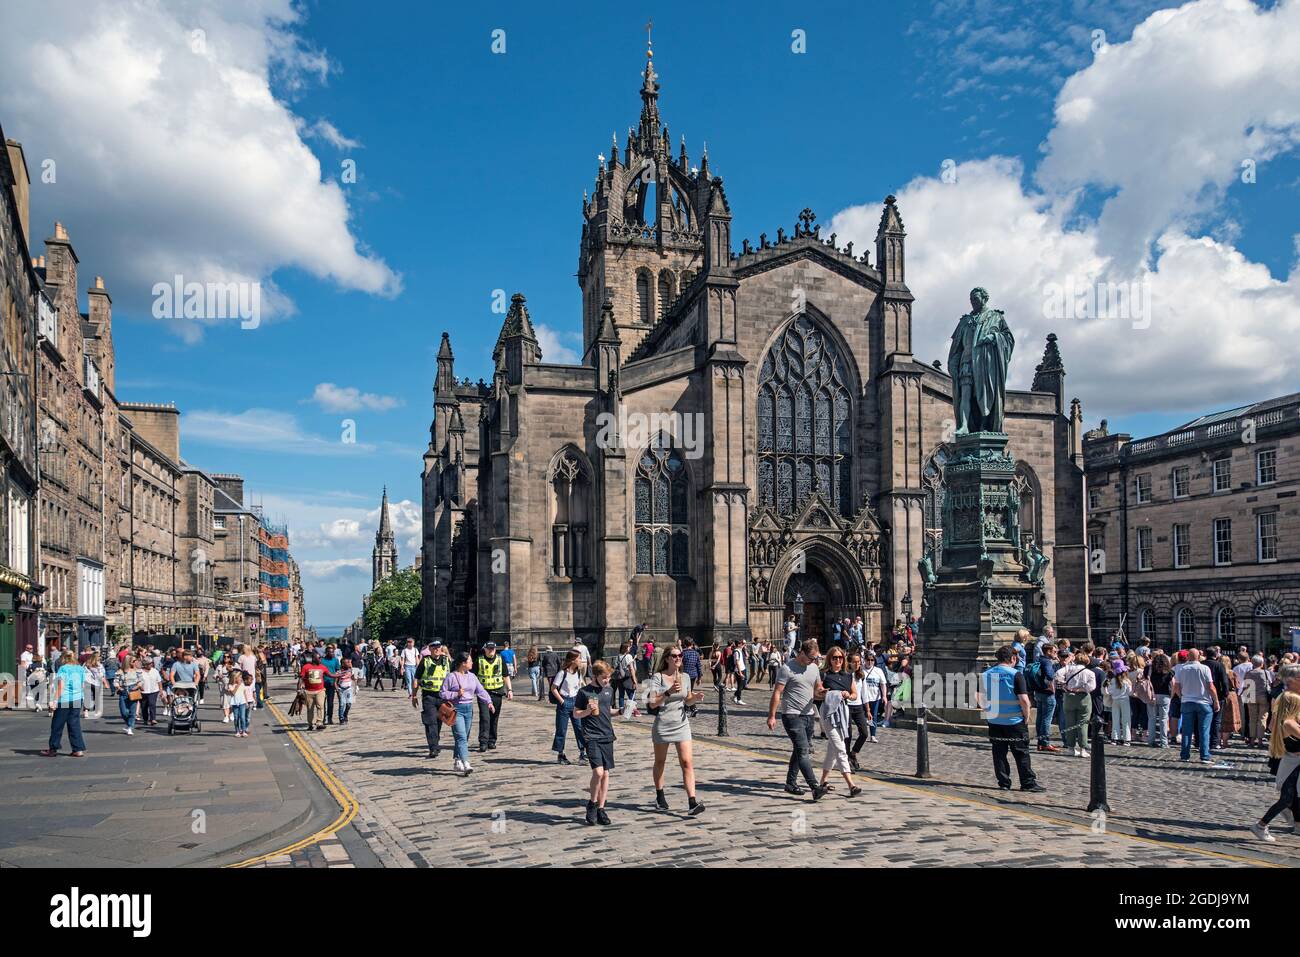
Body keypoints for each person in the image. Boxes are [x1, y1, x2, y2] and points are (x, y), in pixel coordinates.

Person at [643, 644, 706, 815]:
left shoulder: (685, 677)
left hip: (681, 723)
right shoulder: (658, 678)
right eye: (675, 656)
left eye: (680, 655)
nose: (678, 658)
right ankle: (660, 795)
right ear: (667, 659)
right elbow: (652, 703)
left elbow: (687, 700)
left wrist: (696, 698)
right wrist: (668, 692)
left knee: (687, 762)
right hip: (663, 723)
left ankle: (692, 802)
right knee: (660, 762)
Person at [768, 639, 829, 801]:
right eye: (811, 657)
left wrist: (823, 693)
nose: (813, 661)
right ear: (802, 652)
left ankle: (790, 783)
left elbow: (816, 691)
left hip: (809, 714)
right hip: (791, 715)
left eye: (815, 658)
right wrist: (772, 716)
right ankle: (815, 787)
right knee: (803, 750)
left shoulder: (814, 668)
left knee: (799, 749)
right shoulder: (786, 669)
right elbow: (777, 693)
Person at [980, 645, 1045, 792]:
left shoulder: (986, 674)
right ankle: (1027, 782)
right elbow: (1024, 700)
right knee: (1021, 752)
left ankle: (1003, 782)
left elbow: (981, 698)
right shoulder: (1015, 674)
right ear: (1013, 658)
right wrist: (1026, 717)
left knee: (999, 753)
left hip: (995, 721)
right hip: (1014, 721)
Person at [1250, 691, 1300, 843]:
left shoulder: (1285, 720)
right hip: (1292, 766)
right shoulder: (1289, 723)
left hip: (1292, 764)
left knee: (1290, 798)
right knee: (1286, 799)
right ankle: (1261, 825)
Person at [574, 660, 617, 825]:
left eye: (609, 677)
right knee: (598, 772)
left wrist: (621, 711)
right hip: (591, 736)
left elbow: (608, 711)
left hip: (607, 735)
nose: (607, 680)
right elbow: (576, 714)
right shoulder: (584, 692)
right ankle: (592, 804)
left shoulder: (609, 690)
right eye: (604, 677)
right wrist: (587, 711)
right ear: (595, 676)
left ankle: (601, 808)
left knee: (606, 774)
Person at [816, 647, 862, 797]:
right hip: (829, 713)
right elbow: (817, 693)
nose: (837, 660)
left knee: (832, 751)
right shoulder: (824, 674)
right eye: (834, 658)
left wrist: (848, 694)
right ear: (829, 659)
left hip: (843, 713)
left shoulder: (848, 676)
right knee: (841, 749)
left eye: (840, 657)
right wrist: (825, 693)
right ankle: (851, 785)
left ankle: (822, 781)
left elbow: (855, 694)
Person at [440, 651, 493, 775]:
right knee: (462, 737)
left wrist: (489, 702)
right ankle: (466, 762)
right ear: (463, 663)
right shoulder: (451, 677)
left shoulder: (472, 676)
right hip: (456, 710)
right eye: (470, 661)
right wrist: (455, 694)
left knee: (464, 737)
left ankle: (457, 760)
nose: (472, 663)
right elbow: (442, 693)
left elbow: (480, 690)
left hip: (469, 709)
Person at [1173, 648, 1219, 763]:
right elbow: (1211, 687)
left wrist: (1181, 696)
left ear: (1188, 656)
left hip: (1187, 701)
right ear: (1199, 656)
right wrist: (1216, 701)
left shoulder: (1182, 669)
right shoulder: (1204, 668)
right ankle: (1204, 756)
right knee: (1204, 730)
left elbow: (1176, 687)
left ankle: (1185, 755)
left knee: (1187, 731)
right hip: (1203, 702)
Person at [41, 651, 89, 757]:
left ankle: (53, 748)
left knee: (57, 724)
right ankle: (77, 749)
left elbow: (61, 687)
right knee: (74, 724)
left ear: (63, 658)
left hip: (65, 699)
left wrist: (54, 700)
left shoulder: (63, 669)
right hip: (77, 698)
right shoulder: (80, 669)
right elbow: (82, 685)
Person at [412, 643, 451, 757]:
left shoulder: (447, 661)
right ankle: (433, 748)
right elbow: (417, 678)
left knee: (438, 722)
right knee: (431, 722)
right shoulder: (425, 661)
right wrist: (414, 695)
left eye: (438, 648)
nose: (436, 650)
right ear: (430, 649)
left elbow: (453, 676)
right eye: (434, 648)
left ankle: (435, 743)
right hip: (429, 696)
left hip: (442, 697)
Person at [1055, 651, 1096, 757]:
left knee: (1070, 723)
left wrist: (1065, 685)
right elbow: (1092, 687)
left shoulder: (1069, 668)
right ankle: (1083, 749)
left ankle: (1071, 748)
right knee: (1083, 723)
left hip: (1069, 697)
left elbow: (1058, 674)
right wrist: (1080, 689)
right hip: (1083, 698)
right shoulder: (1089, 673)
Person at [550, 650, 587, 765]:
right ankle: (560, 754)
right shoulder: (562, 673)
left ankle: (583, 753)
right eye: (579, 658)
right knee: (561, 729)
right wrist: (562, 701)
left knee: (579, 728)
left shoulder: (579, 673)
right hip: (564, 702)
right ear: (572, 660)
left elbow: (582, 685)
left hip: (576, 702)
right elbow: (553, 688)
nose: (581, 660)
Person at [474, 641, 512, 751]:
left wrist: (509, 690)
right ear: (485, 649)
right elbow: (473, 676)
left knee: (494, 718)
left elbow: (506, 676)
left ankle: (492, 740)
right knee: (485, 717)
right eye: (489, 649)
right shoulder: (479, 660)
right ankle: (483, 741)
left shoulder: (500, 660)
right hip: (483, 693)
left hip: (497, 692)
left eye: (493, 649)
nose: (491, 651)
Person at [1028, 643, 1060, 751]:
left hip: (1039, 692)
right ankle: (1045, 743)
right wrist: (1054, 669)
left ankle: (1040, 743)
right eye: (1054, 651)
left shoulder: (1039, 659)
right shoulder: (1047, 661)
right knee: (1047, 719)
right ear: (1049, 652)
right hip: (1047, 694)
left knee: (1040, 718)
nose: (1056, 654)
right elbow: (1050, 676)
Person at [1242, 656, 1272, 747]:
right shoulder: (1266, 673)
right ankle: (1260, 740)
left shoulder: (1248, 673)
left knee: (1252, 719)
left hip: (1251, 696)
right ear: (1262, 663)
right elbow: (1270, 683)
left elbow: (1246, 686)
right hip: (1263, 696)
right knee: (1262, 718)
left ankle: (1251, 740)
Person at [1103, 659, 1133, 745]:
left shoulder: (1112, 681)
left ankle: (1115, 738)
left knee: (1115, 719)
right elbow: (1130, 692)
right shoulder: (1127, 681)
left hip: (1115, 701)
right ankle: (1127, 739)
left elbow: (1109, 692)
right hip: (1125, 701)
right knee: (1126, 720)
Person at [297, 651, 329, 731]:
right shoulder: (306, 667)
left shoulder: (323, 667)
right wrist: (298, 689)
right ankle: (310, 724)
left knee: (320, 706)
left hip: (320, 690)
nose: (320, 659)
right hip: (309, 691)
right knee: (310, 709)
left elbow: (330, 674)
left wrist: (340, 674)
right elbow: (301, 678)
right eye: (319, 658)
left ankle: (319, 723)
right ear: (314, 659)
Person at [114, 657, 144, 734]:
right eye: (133, 661)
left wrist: (137, 686)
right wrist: (118, 687)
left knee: (132, 711)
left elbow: (141, 681)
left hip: (133, 690)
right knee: (124, 712)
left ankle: (130, 727)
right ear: (128, 662)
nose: (135, 662)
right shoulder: (120, 671)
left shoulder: (137, 671)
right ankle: (129, 724)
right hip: (123, 691)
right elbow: (116, 681)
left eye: (135, 661)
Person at [614, 641, 639, 718]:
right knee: (631, 694)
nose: (630, 648)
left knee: (621, 694)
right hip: (628, 678)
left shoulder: (618, 656)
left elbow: (615, 666)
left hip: (619, 677)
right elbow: (631, 669)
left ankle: (621, 709)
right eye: (628, 647)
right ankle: (633, 711)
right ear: (626, 648)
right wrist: (634, 680)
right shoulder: (628, 656)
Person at [680, 638, 703, 717]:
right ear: (692, 644)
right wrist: (699, 678)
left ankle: (692, 708)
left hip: (685, 675)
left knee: (687, 693)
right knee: (688, 692)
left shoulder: (683, 653)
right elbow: (699, 666)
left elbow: (679, 665)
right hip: (693, 675)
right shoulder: (696, 653)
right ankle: (689, 709)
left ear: (685, 644)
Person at [139, 658, 163, 726]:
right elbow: (137, 681)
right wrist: (140, 687)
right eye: (149, 664)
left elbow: (159, 681)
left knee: (152, 704)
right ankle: (145, 719)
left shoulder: (155, 671)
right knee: (144, 706)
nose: (151, 665)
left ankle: (153, 719)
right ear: (145, 665)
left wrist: (161, 690)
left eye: (151, 663)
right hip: (143, 692)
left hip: (154, 691)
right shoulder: (140, 672)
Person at [336, 658, 356, 725]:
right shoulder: (339, 671)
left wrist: (355, 687)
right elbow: (335, 682)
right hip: (341, 689)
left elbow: (353, 678)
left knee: (349, 704)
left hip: (349, 689)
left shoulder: (350, 670)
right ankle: (341, 718)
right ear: (342, 664)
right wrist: (337, 689)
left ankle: (345, 714)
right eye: (346, 662)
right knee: (342, 704)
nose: (348, 663)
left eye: (348, 662)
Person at [732, 636, 749, 705]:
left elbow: (747, 654)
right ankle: (738, 699)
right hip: (739, 670)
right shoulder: (736, 652)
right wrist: (740, 673)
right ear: (738, 644)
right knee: (740, 686)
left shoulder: (740, 650)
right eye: (741, 643)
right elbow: (737, 663)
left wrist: (744, 646)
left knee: (742, 685)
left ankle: (734, 696)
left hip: (743, 669)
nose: (743, 644)